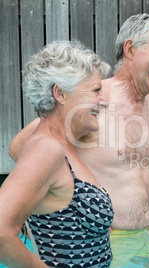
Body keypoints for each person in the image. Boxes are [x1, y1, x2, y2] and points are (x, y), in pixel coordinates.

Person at [8, 14, 149, 267]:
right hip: (106, 242)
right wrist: (86, 215)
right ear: (130, 49)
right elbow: (20, 147)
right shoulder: (92, 98)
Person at [0, 40, 113, 267]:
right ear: (60, 93)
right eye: (96, 90)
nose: (104, 102)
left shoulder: (64, 146)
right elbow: (1, 232)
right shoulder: (46, 149)